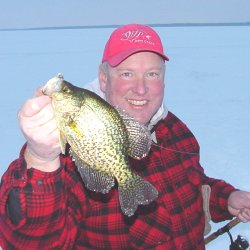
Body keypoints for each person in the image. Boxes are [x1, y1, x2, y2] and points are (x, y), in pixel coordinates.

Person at [0, 23, 249, 250]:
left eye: (152, 74)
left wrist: (225, 199)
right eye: (127, 74)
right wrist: (40, 159)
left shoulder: (175, 130)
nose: (141, 88)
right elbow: (31, 242)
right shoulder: (66, 152)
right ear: (103, 79)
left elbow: (191, 186)